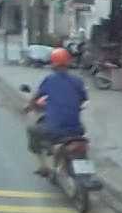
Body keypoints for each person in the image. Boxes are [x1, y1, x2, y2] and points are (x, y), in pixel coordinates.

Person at [24, 47, 87, 177]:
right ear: (68, 63)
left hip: (55, 129)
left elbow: (35, 99)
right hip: (77, 130)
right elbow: (83, 99)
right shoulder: (78, 81)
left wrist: (29, 107)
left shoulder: (49, 80)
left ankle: (43, 166)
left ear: (53, 64)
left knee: (32, 130)